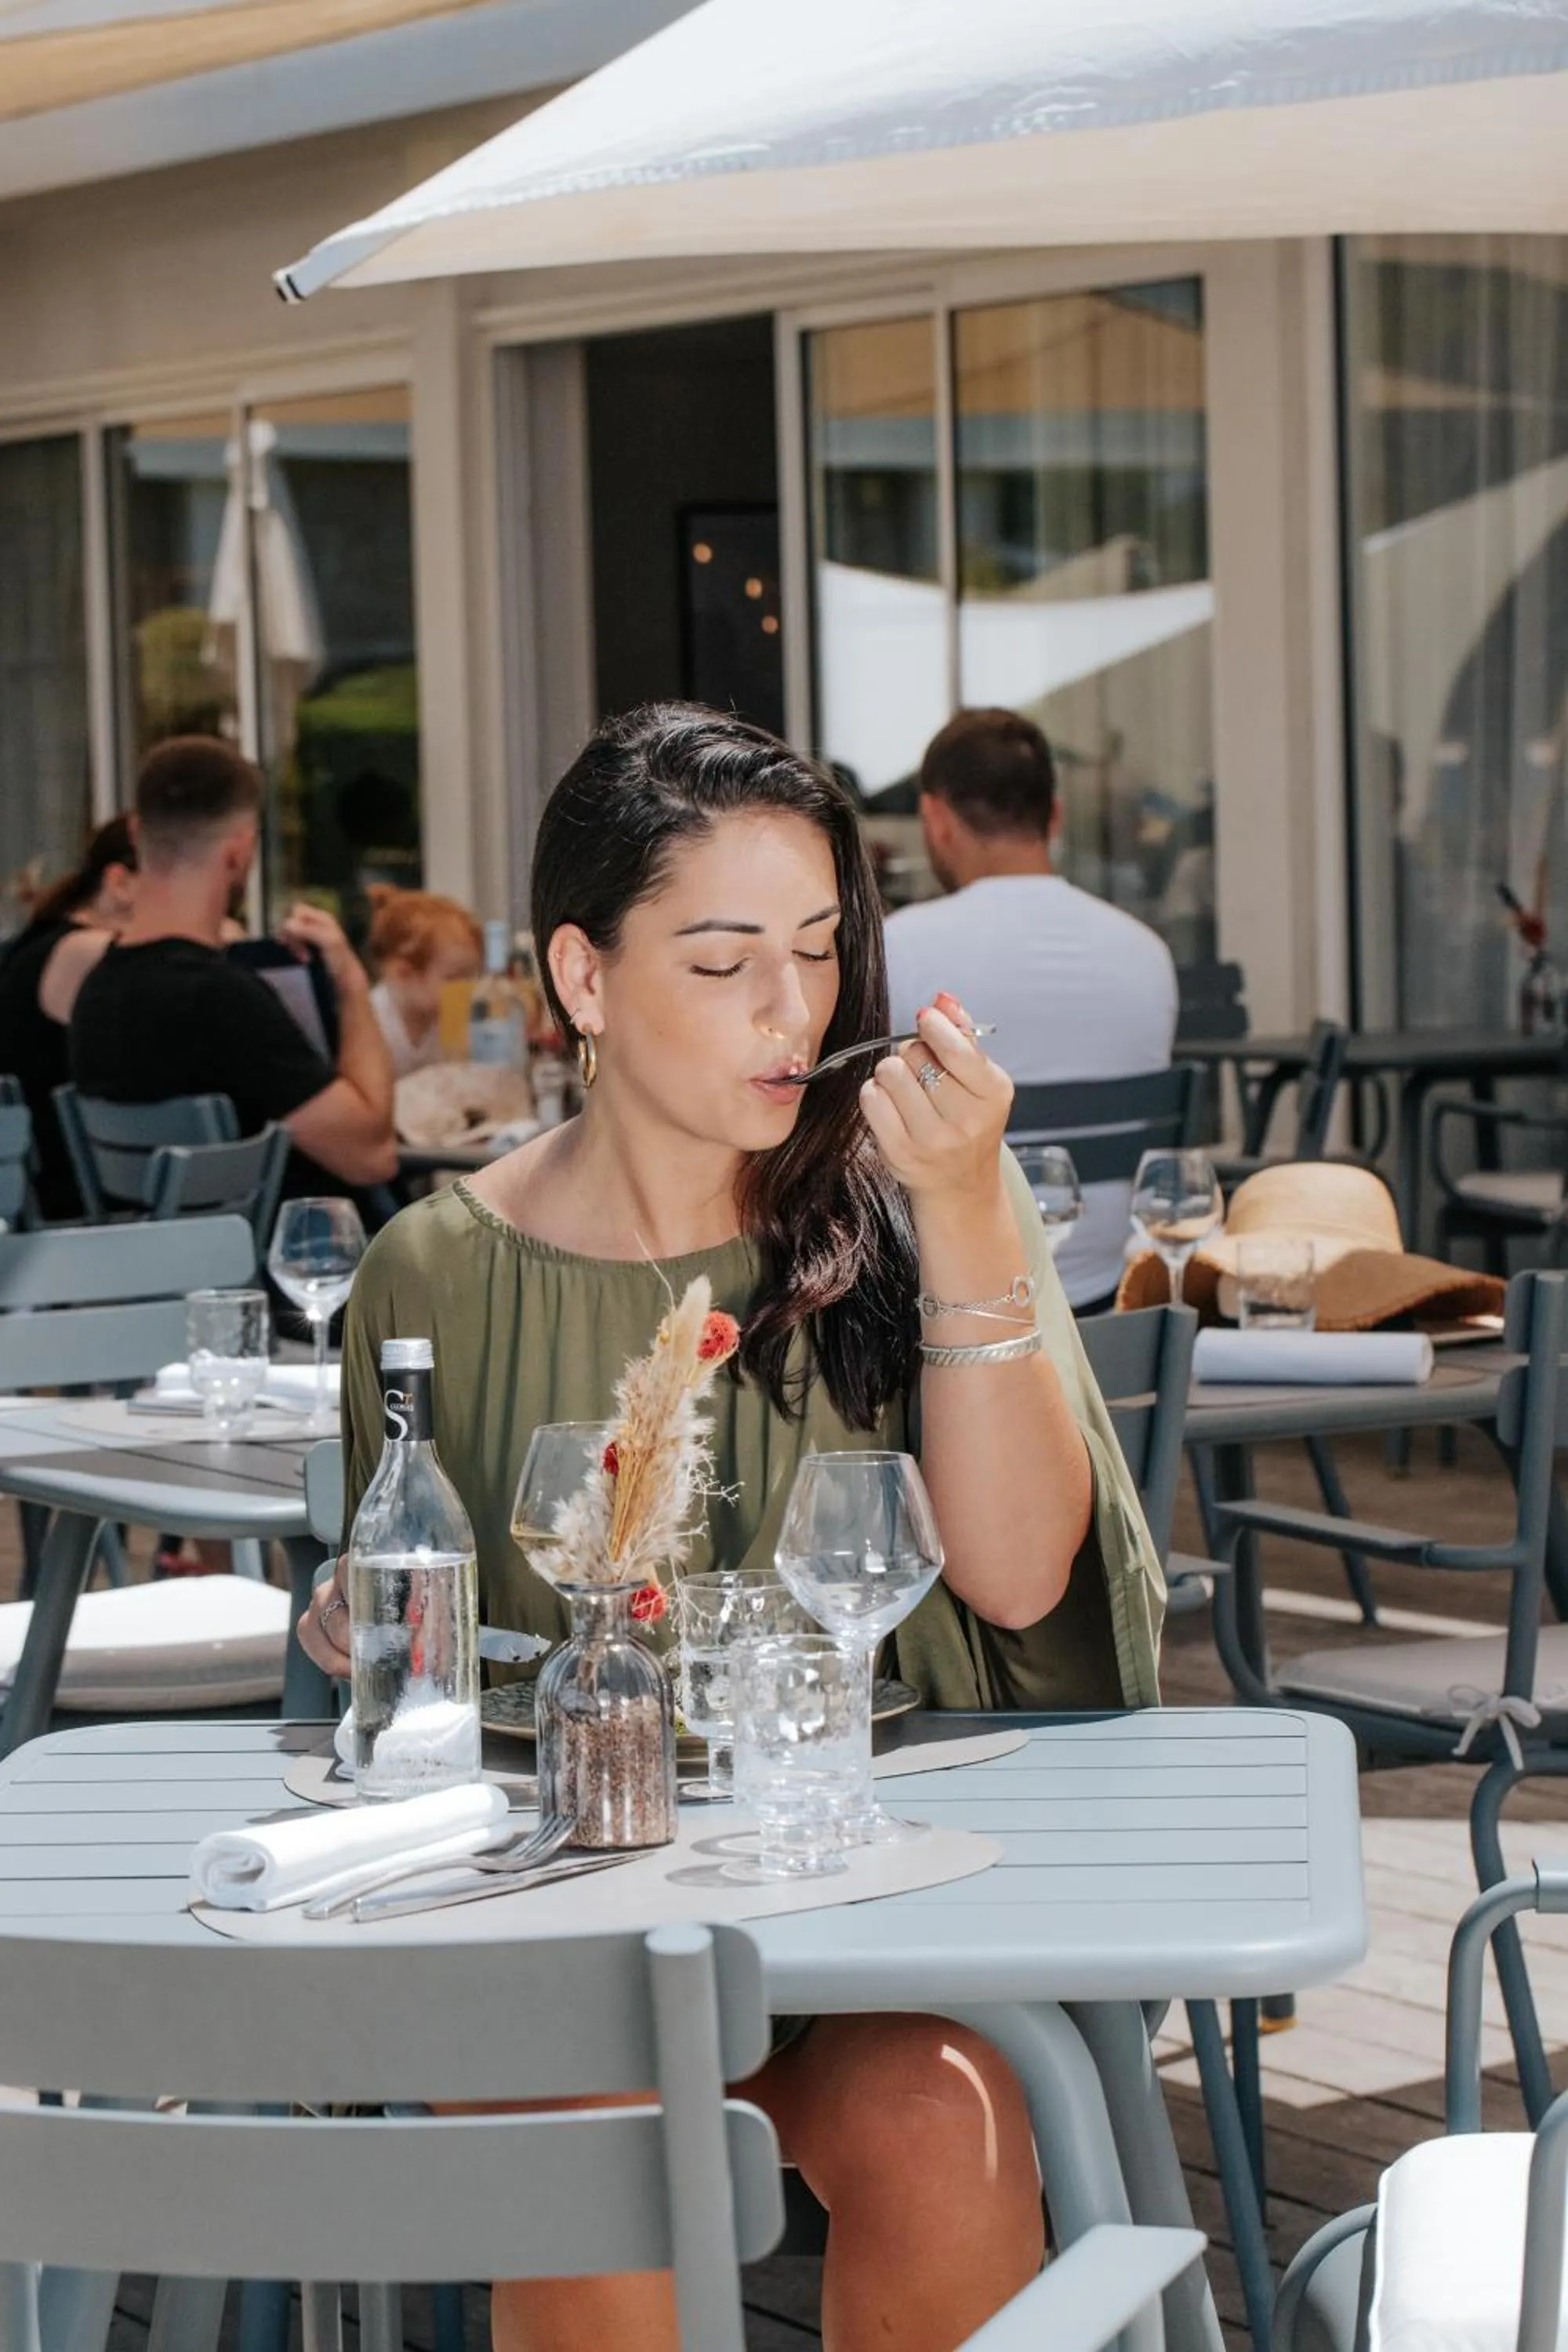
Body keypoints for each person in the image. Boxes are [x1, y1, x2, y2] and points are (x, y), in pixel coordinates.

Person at [300, 704, 1163, 2352]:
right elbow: (396, 1613)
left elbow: (1012, 1576)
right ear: (582, 980)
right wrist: (354, 1621)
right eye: (722, 963)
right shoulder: (432, 1271)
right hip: (550, 1931)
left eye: (822, 951)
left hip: (860, 1917)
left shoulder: (906, 1212)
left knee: (945, 2117)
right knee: (603, 2125)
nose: (792, 1010)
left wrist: (973, 1208)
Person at [884, 708, 1179, 1314]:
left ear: (936, 819)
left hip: (956, 1305)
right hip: (1112, 1300)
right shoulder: (1147, 953)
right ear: (1055, 815)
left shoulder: (899, 946)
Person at [69, 736, 397, 1194]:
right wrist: (351, 983)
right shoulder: (217, 999)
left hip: (153, 1255)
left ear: (135, 831)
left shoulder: (96, 990)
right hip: (276, 1257)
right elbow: (373, 1157)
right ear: (239, 853)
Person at [0, 817, 139, 1218]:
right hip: (74, 1201)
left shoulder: (34, 942)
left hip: (31, 1194)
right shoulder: (92, 951)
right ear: (119, 882)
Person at [365, 886, 485, 1076]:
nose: (468, 988)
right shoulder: (371, 1024)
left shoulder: (451, 1019)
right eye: (454, 977)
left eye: (472, 976)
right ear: (402, 974)